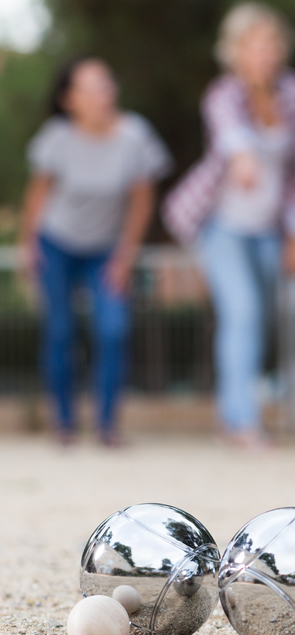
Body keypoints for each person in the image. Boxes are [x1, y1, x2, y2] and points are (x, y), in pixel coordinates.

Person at [163, 3, 295, 449]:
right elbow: (231, 135)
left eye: (273, 42)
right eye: (256, 43)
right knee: (242, 312)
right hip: (221, 225)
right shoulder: (223, 94)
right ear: (237, 51)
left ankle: (230, 412)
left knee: (256, 320)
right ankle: (243, 421)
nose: (267, 52)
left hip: (269, 228)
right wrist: (244, 157)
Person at [18, 57, 171, 446]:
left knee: (113, 329)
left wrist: (125, 256)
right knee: (60, 330)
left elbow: (141, 201)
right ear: (70, 99)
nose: (105, 92)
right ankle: (64, 424)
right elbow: (37, 195)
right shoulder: (56, 137)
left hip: (106, 248)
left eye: (107, 83)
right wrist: (27, 246)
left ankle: (107, 425)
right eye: (92, 86)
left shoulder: (135, 135)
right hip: (57, 243)